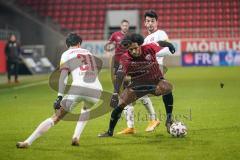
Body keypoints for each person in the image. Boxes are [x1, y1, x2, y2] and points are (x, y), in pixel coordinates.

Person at [16, 33, 103, 148]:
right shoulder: (89, 53)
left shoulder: (66, 54)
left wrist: (59, 97)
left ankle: (28, 142)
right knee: (86, 109)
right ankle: (76, 137)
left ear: (68, 45)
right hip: (97, 90)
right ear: (79, 43)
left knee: (55, 118)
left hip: (78, 88)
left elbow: (63, 77)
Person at [98, 33, 175, 137]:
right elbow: (120, 76)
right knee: (119, 105)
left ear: (140, 45)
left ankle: (169, 119)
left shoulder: (149, 48)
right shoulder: (125, 58)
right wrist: (115, 94)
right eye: (130, 50)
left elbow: (160, 43)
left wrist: (170, 45)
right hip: (137, 86)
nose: (134, 51)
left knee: (167, 87)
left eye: (135, 48)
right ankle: (110, 132)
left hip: (155, 82)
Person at [121, 10, 175, 133]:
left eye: (152, 21)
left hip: (155, 69)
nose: (150, 23)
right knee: (132, 93)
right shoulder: (145, 40)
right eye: (147, 21)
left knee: (133, 93)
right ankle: (136, 125)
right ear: (144, 23)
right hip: (144, 70)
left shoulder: (161, 34)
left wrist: (152, 54)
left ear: (157, 22)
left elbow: (168, 49)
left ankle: (160, 119)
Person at [108, 19, 160, 135]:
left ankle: (153, 118)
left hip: (132, 67)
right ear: (121, 26)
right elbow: (110, 46)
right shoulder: (116, 36)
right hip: (121, 66)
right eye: (123, 25)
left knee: (139, 93)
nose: (125, 27)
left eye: (127, 25)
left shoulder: (133, 40)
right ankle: (130, 127)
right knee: (125, 96)